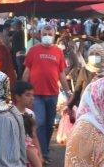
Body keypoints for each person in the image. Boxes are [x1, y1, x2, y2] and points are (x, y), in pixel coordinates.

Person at [22, 27, 69, 159]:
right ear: (40, 35)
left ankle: (45, 148)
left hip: (53, 94)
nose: (47, 36)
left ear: (54, 36)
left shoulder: (58, 51)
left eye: (49, 34)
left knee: (49, 125)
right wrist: (22, 90)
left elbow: (62, 74)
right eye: (44, 34)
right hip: (36, 94)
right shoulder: (33, 50)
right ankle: (42, 153)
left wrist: (68, 92)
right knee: (40, 122)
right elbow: (27, 71)